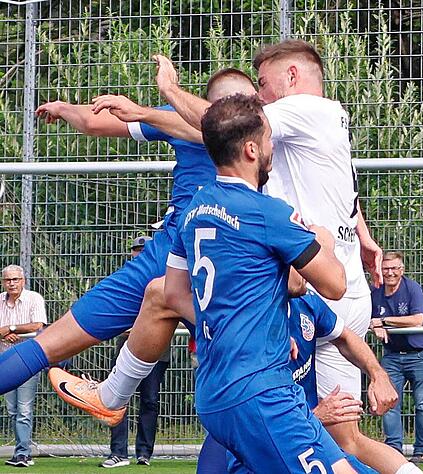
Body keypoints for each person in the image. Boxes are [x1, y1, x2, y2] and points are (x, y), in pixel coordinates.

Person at [142, 41, 420, 474]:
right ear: (252, 150)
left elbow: (221, 126)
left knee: (333, 448)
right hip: (278, 355)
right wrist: (341, 237)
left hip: (240, 362)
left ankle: (114, 391)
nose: (262, 97)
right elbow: (334, 268)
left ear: (292, 76)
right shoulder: (277, 191)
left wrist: (166, 93)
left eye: (265, 86)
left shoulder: (199, 207)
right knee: (344, 441)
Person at [34, 69, 256, 426]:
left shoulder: (259, 133)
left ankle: (111, 395)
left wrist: (68, 107)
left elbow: (103, 122)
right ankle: (112, 395)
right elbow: (100, 122)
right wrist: (66, 107)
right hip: (205, 261)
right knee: (233, 369)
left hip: (195, 258)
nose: (250, 110)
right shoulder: (243, 134)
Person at [162, 92, 369, 473]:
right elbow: (335, 285)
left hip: (216, 389)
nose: (275, 148)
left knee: (346, 467)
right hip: (260, 392)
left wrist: (245, 325)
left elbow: (174, 294)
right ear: (253, 150)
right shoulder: (268, 213)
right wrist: (323, 240)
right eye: (271, 139)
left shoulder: (194, 210)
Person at [196, 269, 383, 474]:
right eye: (297, 262)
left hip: (302, 428)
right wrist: (315, 416)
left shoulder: (307, 304)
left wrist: (378, 374)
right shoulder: (242, 328)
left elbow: (345, 336)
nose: (307, 271)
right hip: (263, 433)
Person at [101, 235, 171, 469]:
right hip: (126, 347)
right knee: (118, 399)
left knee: (150, 401)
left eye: (144, 250)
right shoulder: (127, 281)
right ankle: (118, 452)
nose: (139, 254)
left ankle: (144, 453)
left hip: (156, 350)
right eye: (136, 250)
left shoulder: (166, 280)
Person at [370, 251, 423, 464]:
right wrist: (373, 323)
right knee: (389, 401)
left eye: (394, 268)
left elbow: (417, 320)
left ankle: (421, 451)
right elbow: (365, 317)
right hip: (392, 354)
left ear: (402, 270)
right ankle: (394, 450)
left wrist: (384, 321)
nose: (390, 273)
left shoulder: (412, 288)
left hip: (420, 353)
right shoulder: (374, 292)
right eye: (386, 269)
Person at [0, 265, 47, 468]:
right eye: (8, 280)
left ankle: (23, 454)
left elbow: (38, 326)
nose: (12, 283)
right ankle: (20, 450)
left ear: (23, 280)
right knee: (12, 409)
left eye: (15, 279)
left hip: (27, 360)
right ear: (3, 282)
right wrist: (3, 333)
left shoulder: (34, 298)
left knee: (24, 409)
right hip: (4, 360)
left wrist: (9, 328)